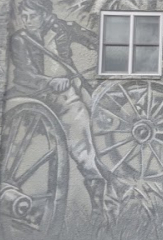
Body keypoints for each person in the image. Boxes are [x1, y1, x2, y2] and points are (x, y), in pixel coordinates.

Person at [9, 0, 118, 224]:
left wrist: (109, 47)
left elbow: (93, 40)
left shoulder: (62, 28)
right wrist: (50, 82)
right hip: (31, 101)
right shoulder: (19, 40)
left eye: (32, 16)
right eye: (24, 16)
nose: (27, 21)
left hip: (65, 98)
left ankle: (102, 210)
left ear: (45, 14)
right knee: (16, 158)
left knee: (85, 154)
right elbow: (24, 77)